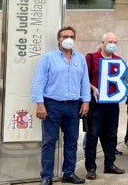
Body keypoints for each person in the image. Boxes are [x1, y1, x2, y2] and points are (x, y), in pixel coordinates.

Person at [31, 26, 90, 185]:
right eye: (65, 36)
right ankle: (47, 176)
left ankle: (69, 173)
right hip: (52, 105)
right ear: (59, 39)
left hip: (73, 106)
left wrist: (86, 101)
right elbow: (39, 82)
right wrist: (40, 104)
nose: (68, 39)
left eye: (71, 36)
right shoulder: (48, 58)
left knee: (71, 141)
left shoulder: (80, 58)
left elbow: (85, 82)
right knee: (49, 141)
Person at [84, 32, 125, 180]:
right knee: (93, 135)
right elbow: (82, 78)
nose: (112, 44)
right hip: (96, 104)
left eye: (115, 41)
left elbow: (122, 80)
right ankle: (91, 168)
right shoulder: (91, 58)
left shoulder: (119, 60)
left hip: (113, 104)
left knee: (111, 135)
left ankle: (109, 164)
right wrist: (92, 87)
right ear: (102, 43)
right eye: (109, 41)